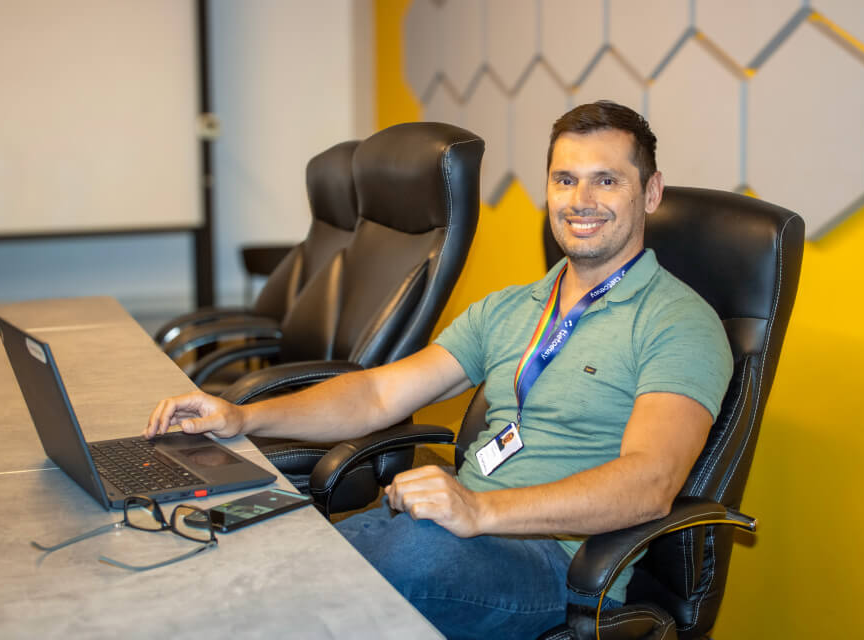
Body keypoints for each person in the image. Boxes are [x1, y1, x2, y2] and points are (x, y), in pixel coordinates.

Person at [146, 101, 733, 639]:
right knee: (268, 546)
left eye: (607, 180)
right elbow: (378, 394)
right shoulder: (510, 307)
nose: (581, 199)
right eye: (565, 179)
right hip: (446, 527)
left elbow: (650, 484)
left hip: (557, 562)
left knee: (316, 595)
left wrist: (480, 510)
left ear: (651, 192)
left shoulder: (679, 322)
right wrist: (243, 416)